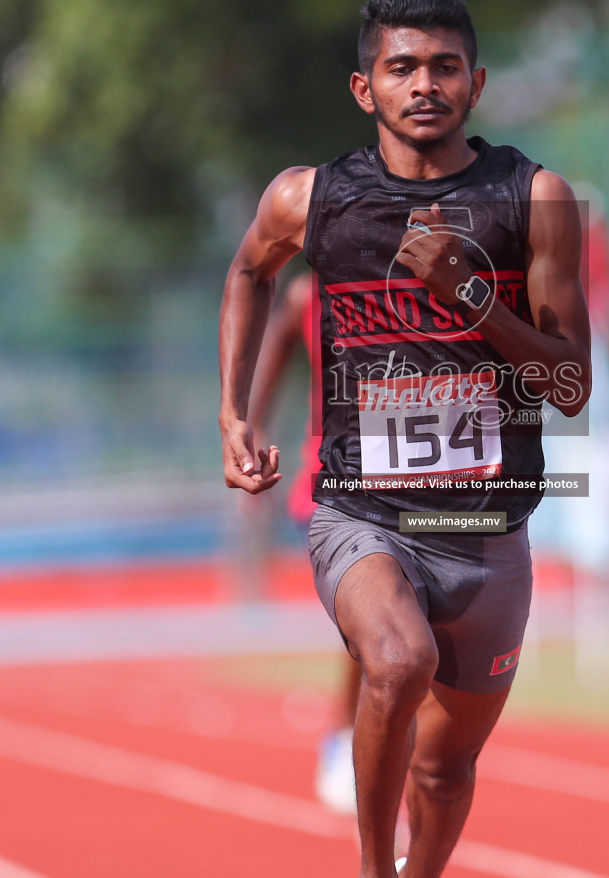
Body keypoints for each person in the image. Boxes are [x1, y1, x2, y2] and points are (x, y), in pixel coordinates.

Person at [219, 0, 590, 878]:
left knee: (446, 765)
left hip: (486, 530)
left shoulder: (533, 200)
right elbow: (249, 275)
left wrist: (474, 301)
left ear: (477, 84)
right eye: (402, 68)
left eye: (444, 66)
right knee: (396, 661)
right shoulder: (310, 200)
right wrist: (233, 412)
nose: (424, 84)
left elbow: (572, 384)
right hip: (365, 516)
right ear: (365, 89)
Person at [246, 268, 363, 815]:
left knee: (416, 631)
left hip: (410, 480)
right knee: (377, 623)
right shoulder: (303, 295)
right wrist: (247, 441)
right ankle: (343, 738)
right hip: (326, 484)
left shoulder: (410, 278)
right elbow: (260, 381)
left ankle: (375, 740)